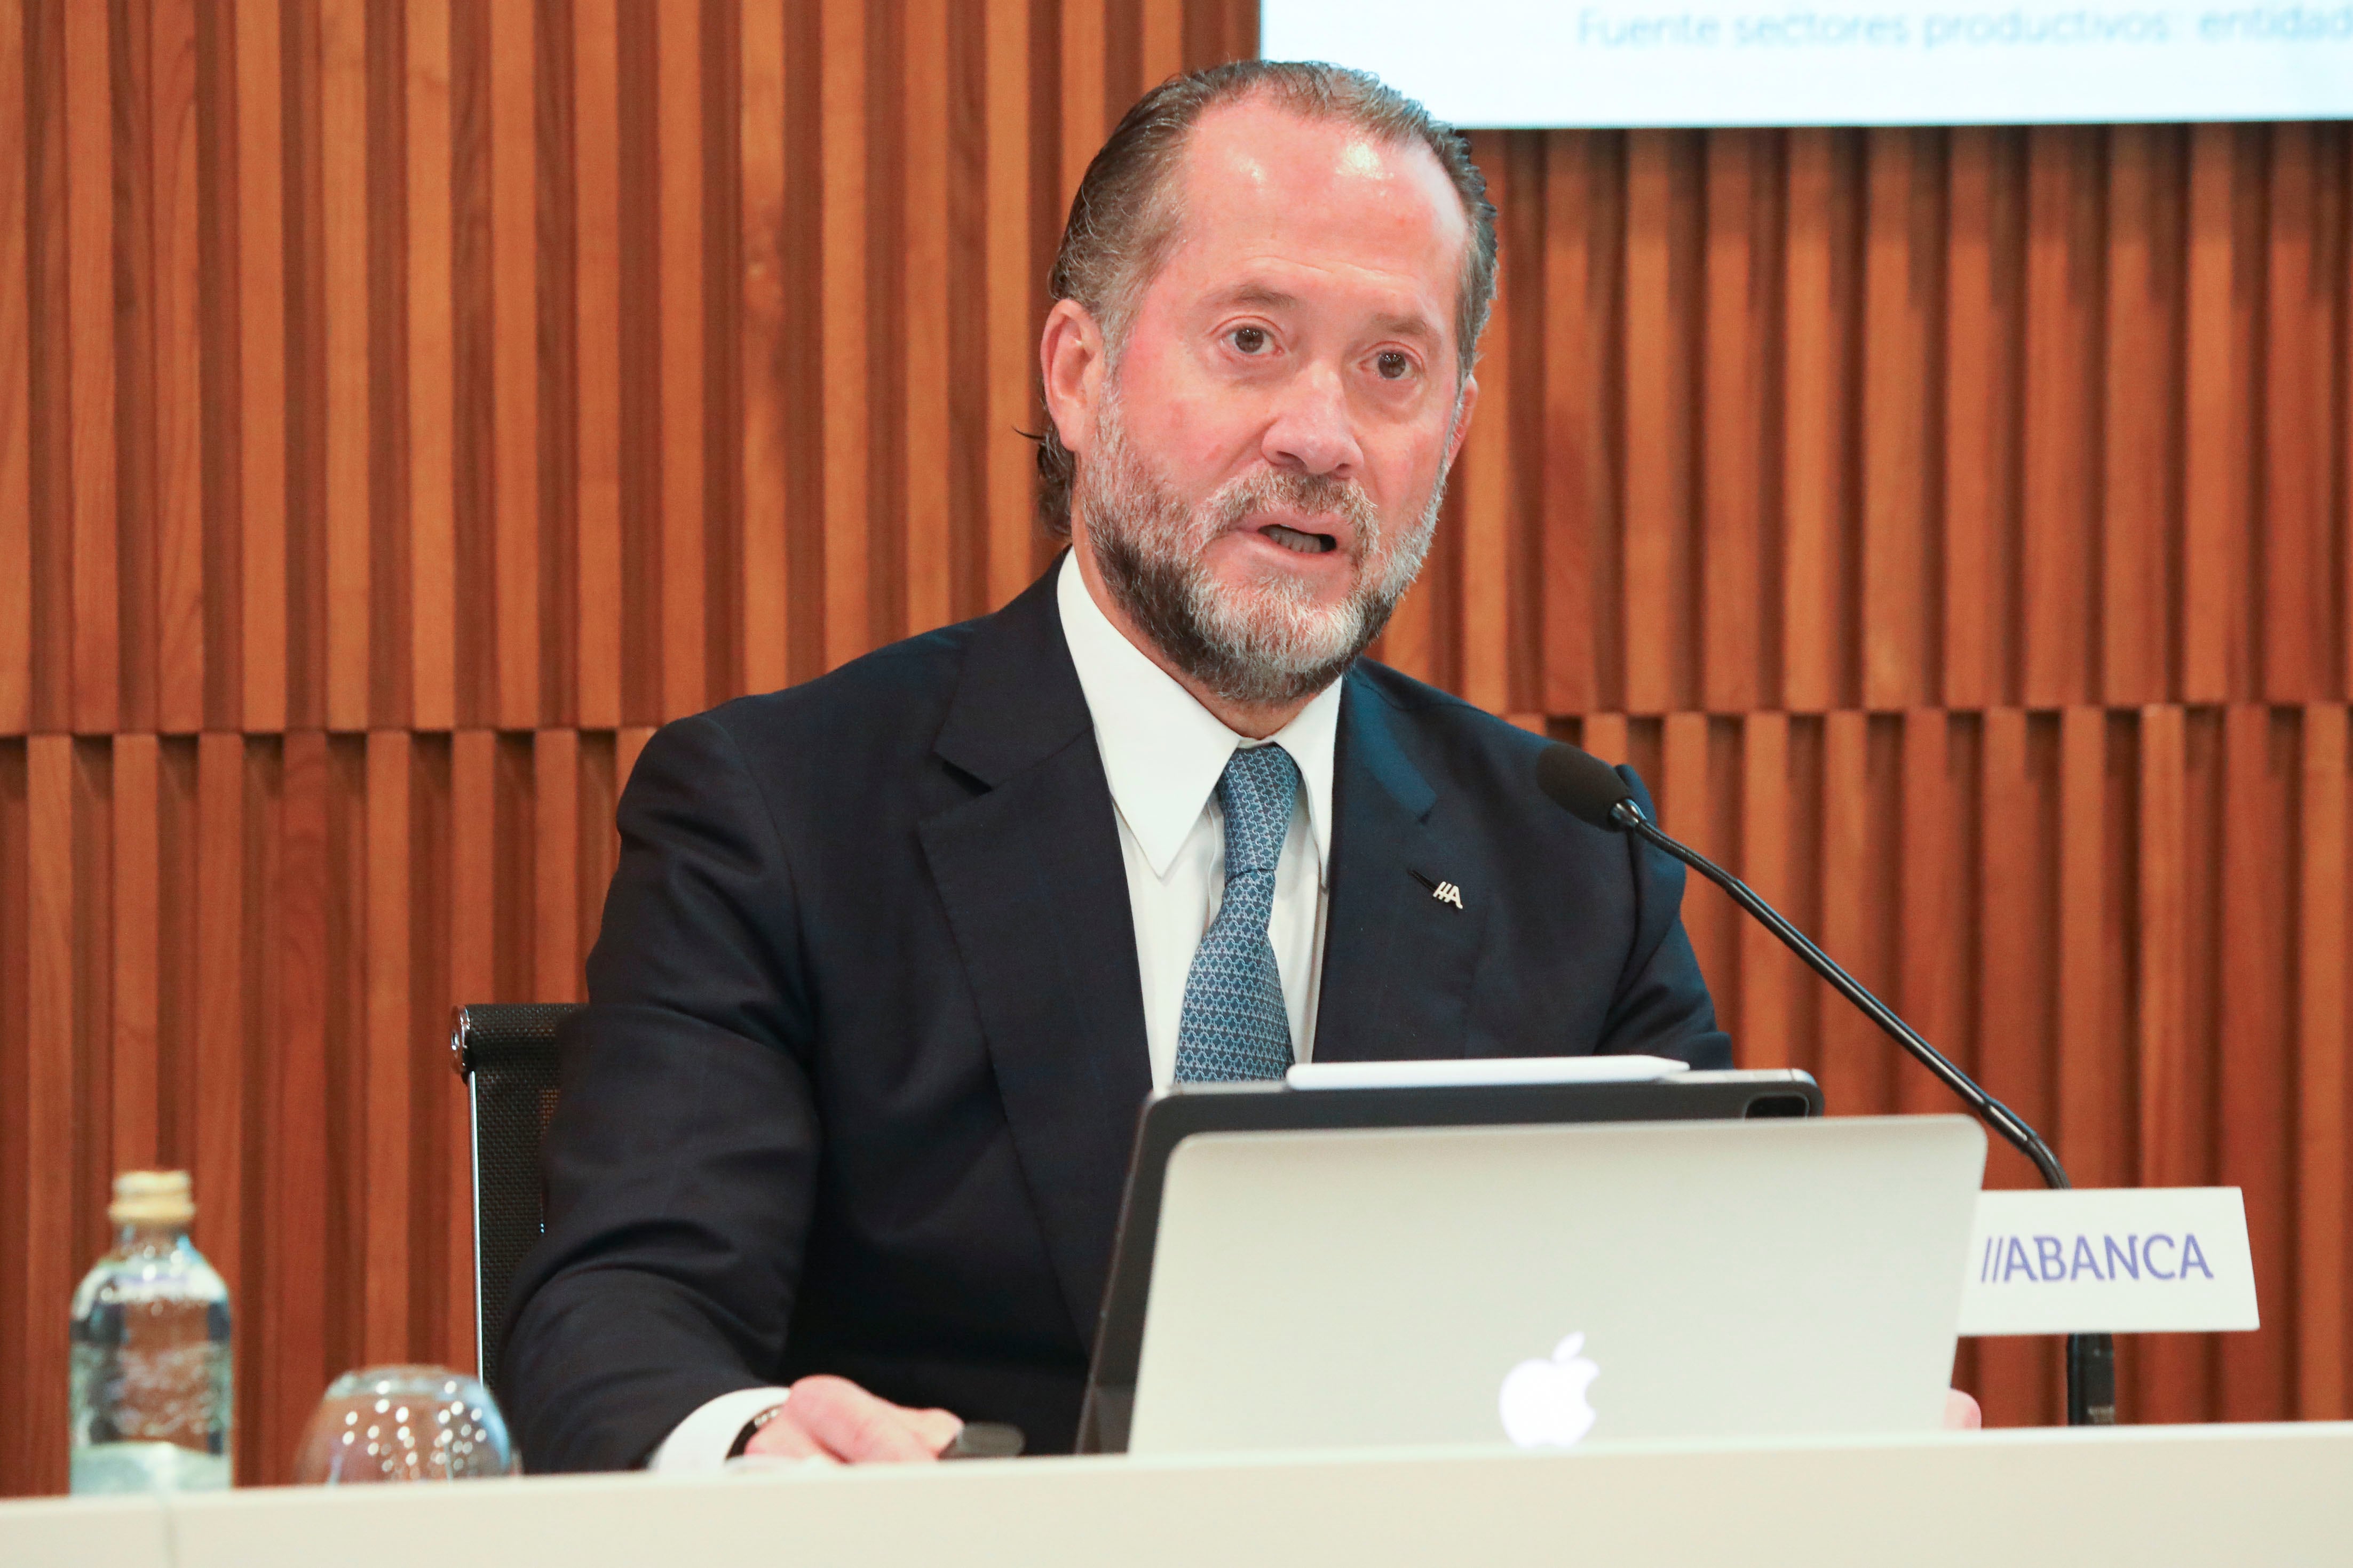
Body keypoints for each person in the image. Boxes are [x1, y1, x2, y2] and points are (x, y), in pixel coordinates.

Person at [502, 60, 1736, 1476]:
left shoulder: (1576, 857)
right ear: (1079, 376)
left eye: (1391, 368)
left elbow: (1704, 1308)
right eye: (1254, 339)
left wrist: (1830, 1403)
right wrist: (753, 1447)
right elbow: (617, 1311)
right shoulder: (782, 816)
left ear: (1449, 434)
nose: (1320, 436)